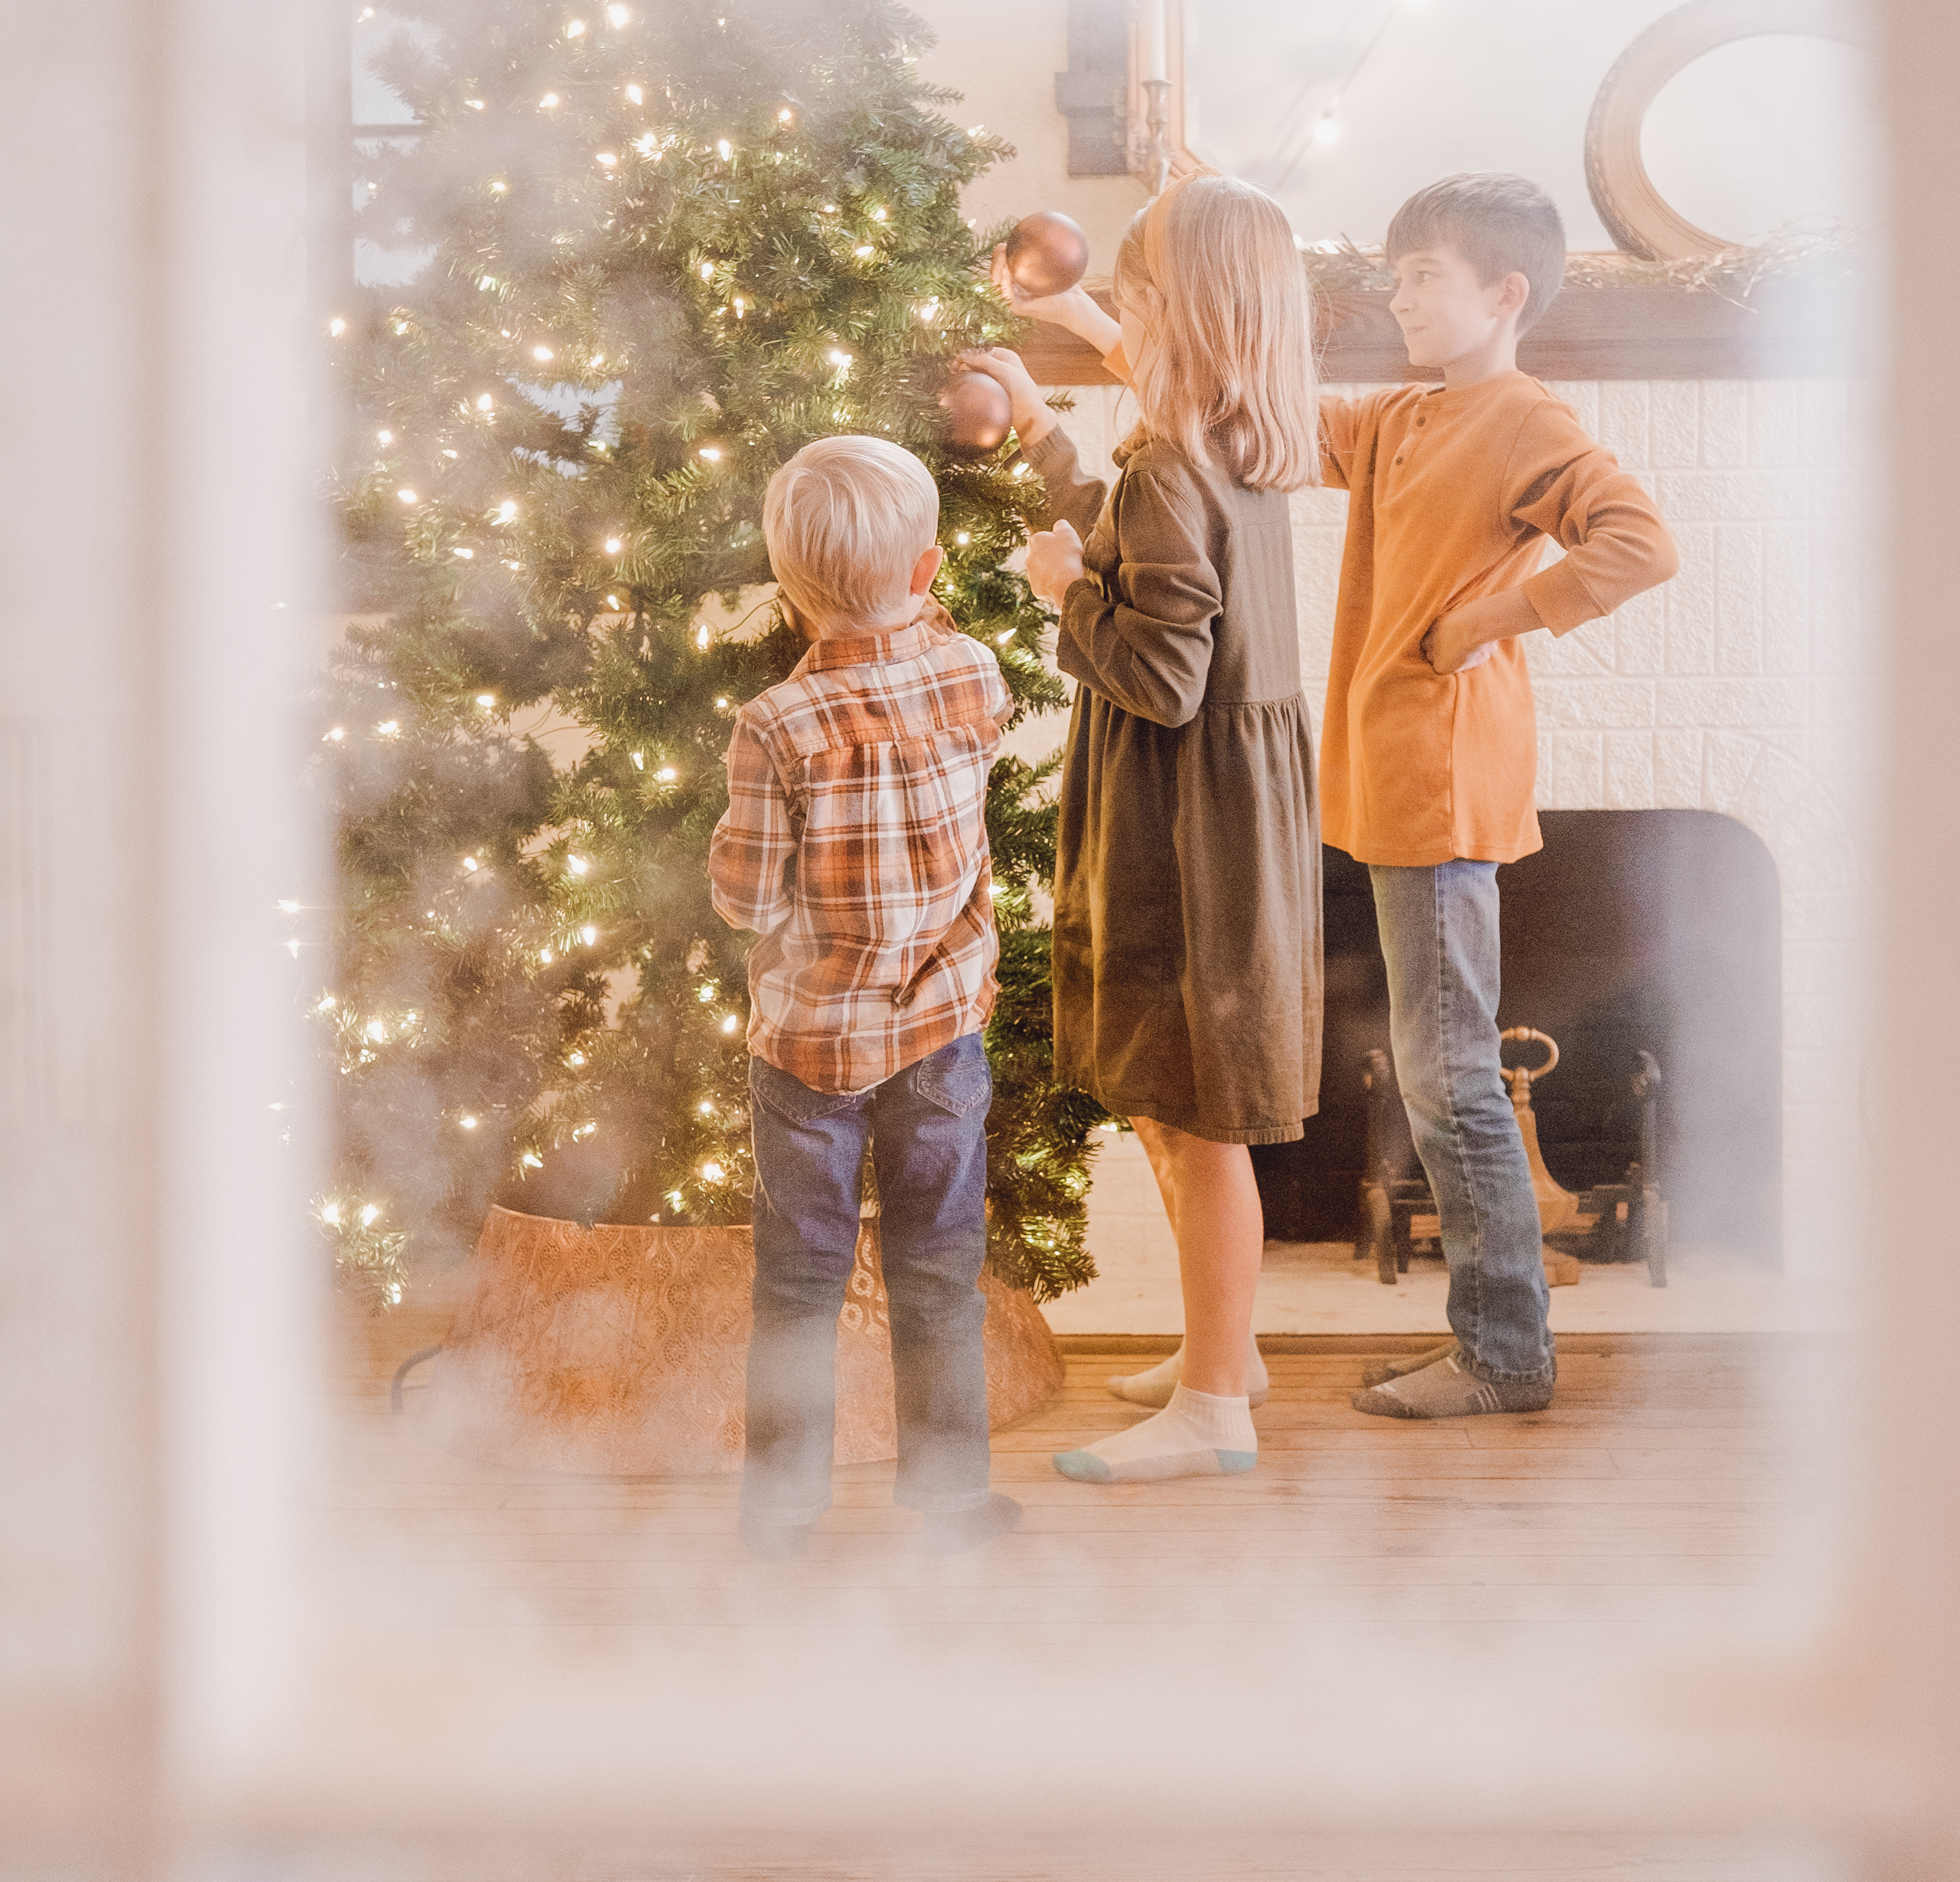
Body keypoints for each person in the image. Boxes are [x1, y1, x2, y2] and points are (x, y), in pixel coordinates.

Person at [998, 169, 1679, 1427]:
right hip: (1373, 781)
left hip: (1438, 789)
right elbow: (1233, 409)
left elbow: (1637, 540)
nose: (1393, 295)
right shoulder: (1404, 419)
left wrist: (1493, 613)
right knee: (1431, 1071)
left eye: (1422, 277)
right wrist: (1097, 330)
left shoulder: (1521, 421)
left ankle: (1500, 1352)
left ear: (1503, 294)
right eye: (1393, 272)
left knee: (1448, 1078)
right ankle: (1450, 1344)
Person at [958, 178, 1321, 1485]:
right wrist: (1049, 417)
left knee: (1191, 1108)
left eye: (1135, 297)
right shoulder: (1234, 442)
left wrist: (1059, 591)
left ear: (1184, 315)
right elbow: (1144, 548)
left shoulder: (1173, 464)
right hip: (1232, 809)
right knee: (1183, 1107)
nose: (1122, 317)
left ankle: (1215, 1408)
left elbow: (1158, 674)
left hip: (1187, 828)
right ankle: (1225, 1349)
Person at [710, 433, 1020, 1555]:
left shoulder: (774, 726)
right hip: (940, 1031)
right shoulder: (973, 671)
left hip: (807, 1049)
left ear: (786, 591)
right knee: (939, 1270)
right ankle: (948, 1501)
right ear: (928, 572)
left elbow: (745, 899)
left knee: (798, 1280)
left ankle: (782, 1515)